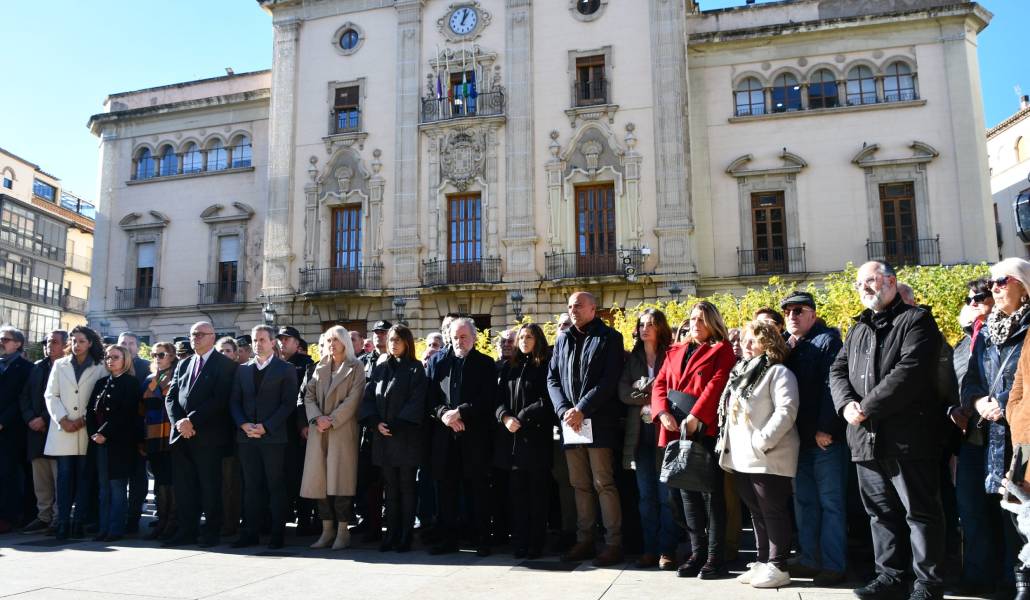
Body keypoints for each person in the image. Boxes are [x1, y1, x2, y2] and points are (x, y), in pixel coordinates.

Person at [830, 261, 946, 600]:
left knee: (920, 513)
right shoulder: (857, 328)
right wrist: (846, 405)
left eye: (871, 280)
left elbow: (908, 372)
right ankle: (890, 577)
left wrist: (867, 406)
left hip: (907, 438)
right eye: (860, 283)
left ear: (892, 282)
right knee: (879, 514)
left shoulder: (917, 320)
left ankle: (927, 584)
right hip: (864, 440)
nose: (864, 288)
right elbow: (837, 371)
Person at [652, 301, 736, 579]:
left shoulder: (721, 349)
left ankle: (715, 557)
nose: (695, 325)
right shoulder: (675, 350)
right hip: (675, 428)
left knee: (710, 494)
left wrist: (697, 415)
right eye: (692, 319)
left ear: (713, 322)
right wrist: (661, 411)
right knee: (685, 495)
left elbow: (718, 383)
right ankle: (696, 552)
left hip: (703, 429)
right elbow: (661, 383)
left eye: (701, 320)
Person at [718, 320, 800, 589]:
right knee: (756, 512)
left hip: (769, 456)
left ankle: (779, 566)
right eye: (744, 340)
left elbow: (786, 411)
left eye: (753, 339)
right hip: (743, 457)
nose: (746, 344)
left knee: (773, 511)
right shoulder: (741, 372)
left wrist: (763, 441)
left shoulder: (778, 372)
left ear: (768, 342)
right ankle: (763, 560)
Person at [965, 259, 1030, 594]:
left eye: (1002, 280)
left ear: (1022, 284)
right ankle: (1003, 581)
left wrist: (1002, 402)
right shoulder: (988, 330)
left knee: (1022, 513)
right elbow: (971, 379)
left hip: (1022, 433)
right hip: (990, 434)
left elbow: (1025, 380)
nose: (994, 287)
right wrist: (979, 402)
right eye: (992, 282)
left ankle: (1019, 581)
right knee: (996, 511)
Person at [548, 292, 626, 567]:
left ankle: (613, 542)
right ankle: (585, 540)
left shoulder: (609, 338)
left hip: (598, 422)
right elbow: (552, 379)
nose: (573, 311)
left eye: (578, 306)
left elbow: (608, 380)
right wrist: (564, 411)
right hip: (570, 423)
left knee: (602, 483)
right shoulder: (562, 339)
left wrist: (582, 408)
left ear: (594, 308)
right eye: (569, 306)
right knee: (579, 484)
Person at [778, 290, 848, 586]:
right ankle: (809, 559)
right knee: (805, 501)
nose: (792, 315)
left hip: (824, 439)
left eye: (799, 310)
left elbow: (833, 386)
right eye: (788, 311)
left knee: (831, 502)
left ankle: (834, 564)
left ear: (813, 314)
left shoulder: (828, 340)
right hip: (799, 439)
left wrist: (826, 428)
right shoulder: (787, 343)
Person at [426, 317, 498, 556]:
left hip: (474, 437)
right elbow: (431, 397)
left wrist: (461, 413)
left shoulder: (486, 364)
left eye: (463, 337)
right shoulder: (438, 362)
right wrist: (445, 414)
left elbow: (488, 399)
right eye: (455, 337)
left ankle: (481, 539)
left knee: (477, 491)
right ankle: (448, 539)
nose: (459, 341)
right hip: (445, 437)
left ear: (474, 337)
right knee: (446, 492)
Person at [163, 321, 238, 547]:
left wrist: (191, 421)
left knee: (209, 486)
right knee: (184, 488)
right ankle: (186, 531)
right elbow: (171, 397)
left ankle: (211, 532)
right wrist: (179, 423)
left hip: (209, 436)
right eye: (193, 334)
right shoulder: (183, 364)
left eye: (200, 334)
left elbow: (220, 399)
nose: (195, 338)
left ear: (212, 337)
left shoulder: (225, 365)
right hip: (182, 435)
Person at [359, 324, 427, 553]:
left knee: (406, 488)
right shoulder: (380, 369)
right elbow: (368, 399)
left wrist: (397, 424)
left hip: (405, 439)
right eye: (390, 340)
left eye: (398, 340)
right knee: (390, 489)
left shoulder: (416, 369)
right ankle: (391, 534)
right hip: (383, 439)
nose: (393, 344)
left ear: (407, 342)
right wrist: (375, 422)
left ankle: (406, 535)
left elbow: (417, 402)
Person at [229, 325, 298, 549]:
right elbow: (234, 401)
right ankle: (250, 533)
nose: (257, 344)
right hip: (246, 437)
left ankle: (277, 533)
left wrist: (266, 427)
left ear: (272, 342)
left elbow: (288, 404)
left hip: (273, 438)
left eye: (262, 339)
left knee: (275, 485)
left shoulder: (285, 369)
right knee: (251, 486)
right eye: (254, 340)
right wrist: (243, 424)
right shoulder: (243, 370)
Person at [618, 308, 677, 570]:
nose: (645, 329)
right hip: (639, 433)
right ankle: (649, 549)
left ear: (660, 328)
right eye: (642, 324)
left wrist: (642, 390)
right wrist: (653, 394)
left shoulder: (672, 355)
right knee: (646, 496)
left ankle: (668, 550)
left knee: (667, 495)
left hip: (664, 431)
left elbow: (673, 391)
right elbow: (622, 393)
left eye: (651, 324)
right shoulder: (633, 358)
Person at [301, 325, 365, 550]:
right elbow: (308, 395)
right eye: (328, 340)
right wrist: (317, 418)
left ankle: (342, 531)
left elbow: (354, 399)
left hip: (341, 431)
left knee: (340, 482)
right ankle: (326, 530)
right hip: (320, 432)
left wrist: (332, 419)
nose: (331, 344)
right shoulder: (321, 367)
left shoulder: (356, 367)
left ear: (345, 342)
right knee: (320, 482)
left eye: (335, 340)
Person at [495, 323, 555, 559]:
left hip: (536, 439)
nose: (524, 341)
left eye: (529, 337)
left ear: (537, 340)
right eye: (521, 337)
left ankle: (536, 543)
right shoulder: (510, 367)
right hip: (512, 440)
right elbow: (497, 400)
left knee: (537, 495)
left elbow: (547, 400)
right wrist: (505, 416)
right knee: (517, 495)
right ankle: (519, 542)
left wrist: (523, 416)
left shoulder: (545, 366)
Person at [45, 325, 108, 540]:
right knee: (63, 477)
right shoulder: (60, 365)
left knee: (84, 477)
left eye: (81, 341)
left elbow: (102, 396)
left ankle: (78, 521)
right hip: (63, 428)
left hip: (85, 428)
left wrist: (83, 419)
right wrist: (62, 419)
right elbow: (51, 395)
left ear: (90, 343)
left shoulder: (101, 366)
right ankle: (63, 521)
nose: (76, 345)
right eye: (73, 341)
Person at [87, 344, 142, 542]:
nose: (110, 360)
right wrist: (94, 433)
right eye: (108, 357)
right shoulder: (102, 382)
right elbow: (91, 412)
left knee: (117, 487)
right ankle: (103, 528)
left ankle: (115, 529)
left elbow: (125, 413)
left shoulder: (131, 383)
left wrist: (104, 433)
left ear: (125, 360)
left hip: (120, 443)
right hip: (100, 442)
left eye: (115, 357)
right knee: (103, 489)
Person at [18, 330, 66, 534]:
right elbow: (25, 396)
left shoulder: (68, 368)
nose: (49, 345)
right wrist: (30, 418)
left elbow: (64, 399)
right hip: (35, 432)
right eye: (47, 342)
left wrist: (45, 419)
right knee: (41, 478)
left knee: (58, 478)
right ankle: (43, 516)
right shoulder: (38, 367)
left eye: (54, 342)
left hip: (56, 429)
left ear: (65, 345)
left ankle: (58, 517)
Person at [276, 325, 318, 536]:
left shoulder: (307, 365)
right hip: (277, 429)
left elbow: (306, 398)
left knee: (300, 476)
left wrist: (304, 425)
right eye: (280, 339)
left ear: (297, 343)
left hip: (298, 431)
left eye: (287, 339)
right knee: (282, 478)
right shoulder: (274, 364)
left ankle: (305, 518)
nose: (282, 342)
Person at [355, 320, 390, 542]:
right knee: (368, 481)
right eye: (376, 333)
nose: (379, 336)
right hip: (368, 429)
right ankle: (370, 523)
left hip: (390, 430)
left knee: (389, 481)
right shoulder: (363, 362)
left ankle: (389, 523)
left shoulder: (399, 361)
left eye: (383, 333)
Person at [142, 342, 178, 541]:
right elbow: (142, 409)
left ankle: (172, 522)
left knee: (172, 480)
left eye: (162, 354)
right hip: (154, 435)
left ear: (172, 356)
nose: (157, 357)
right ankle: (162, 521)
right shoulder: (149, 380)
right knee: (160, 481)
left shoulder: (178, 376)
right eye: (154, 354)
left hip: (171, 436)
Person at [0, 326, 33, 534]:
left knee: (8, 475)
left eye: (5, 339)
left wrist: (3, 420)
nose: (1, 342)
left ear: (18, 343)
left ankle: (8, 517)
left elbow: (21, 397)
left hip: (12, 429)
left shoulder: (27, 368)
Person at [117, 332, 150, 535]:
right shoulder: (111, 365)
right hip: (117, 432)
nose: (127, 346)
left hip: (139, 430)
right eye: (123, 343)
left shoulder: (146, 367)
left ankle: (133, 517)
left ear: (137, 347)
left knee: (138, 476)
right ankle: (116, 517)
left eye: (131, 343)